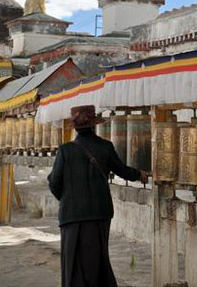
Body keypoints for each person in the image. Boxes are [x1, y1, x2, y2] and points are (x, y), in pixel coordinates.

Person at [48, 105, 147, 287]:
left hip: (71, 216)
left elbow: (54, 183)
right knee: (97, 259)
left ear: (75, 127)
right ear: (94, 125)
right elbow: (122, 171)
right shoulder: (105, 147)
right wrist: (139, 174)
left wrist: (68, 200)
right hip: (99, 214)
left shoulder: (65, 150)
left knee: (73, 263)